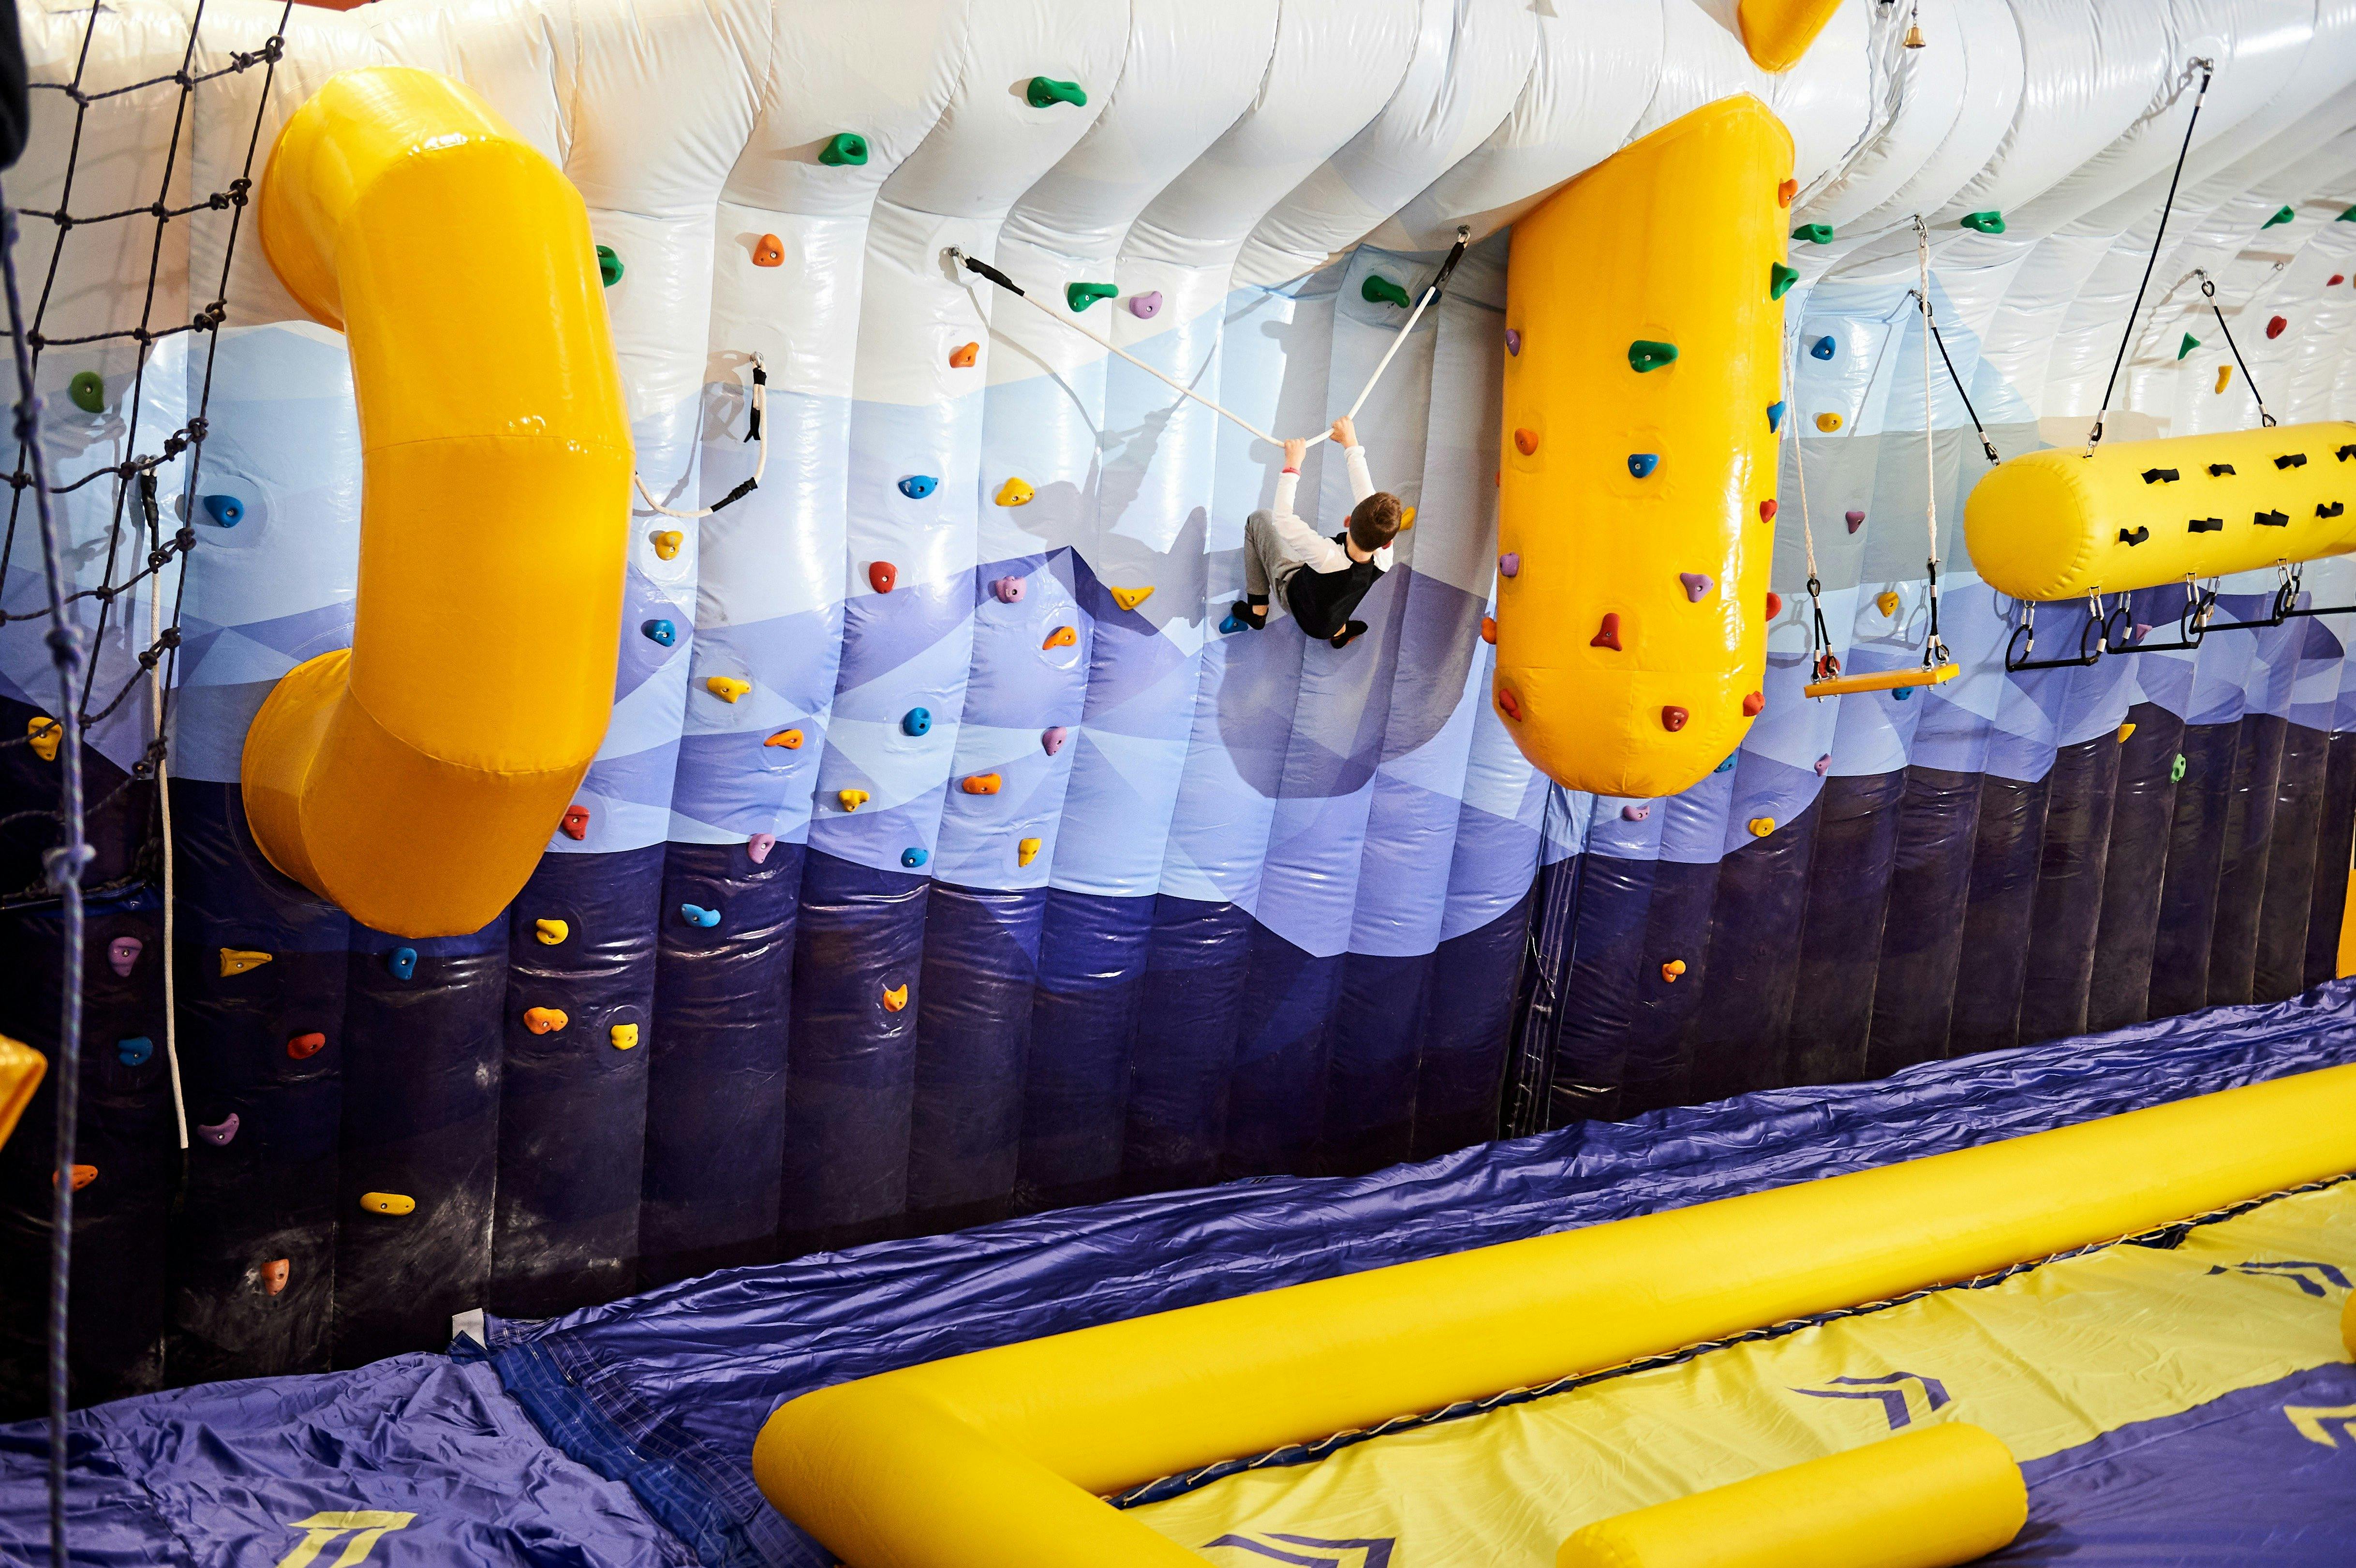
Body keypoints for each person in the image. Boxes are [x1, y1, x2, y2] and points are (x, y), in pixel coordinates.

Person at [1227, 414, 1404, 650]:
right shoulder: (1384, 560)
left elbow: (1282, 520)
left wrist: (1293, 465)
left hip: (1297, 603)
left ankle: (1257, 610)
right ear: (1387, 542)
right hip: (1330, 623)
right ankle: (1340, 635)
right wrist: (1350, 443)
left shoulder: (1327, 556)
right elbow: (1367, 497)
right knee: (1341, 596)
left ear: (1348, 521)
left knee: (1259, 520)